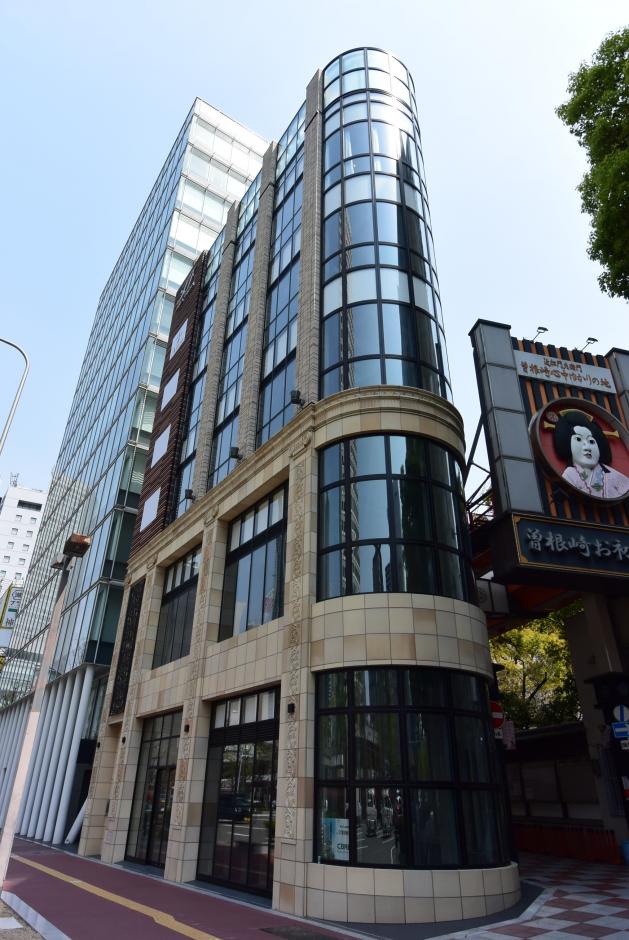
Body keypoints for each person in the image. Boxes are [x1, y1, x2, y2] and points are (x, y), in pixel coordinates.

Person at [553, 410, 629, 499]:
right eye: (578, 439)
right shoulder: (569, 475)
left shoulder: (613, 475)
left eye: (591, 441)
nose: (587, 447)